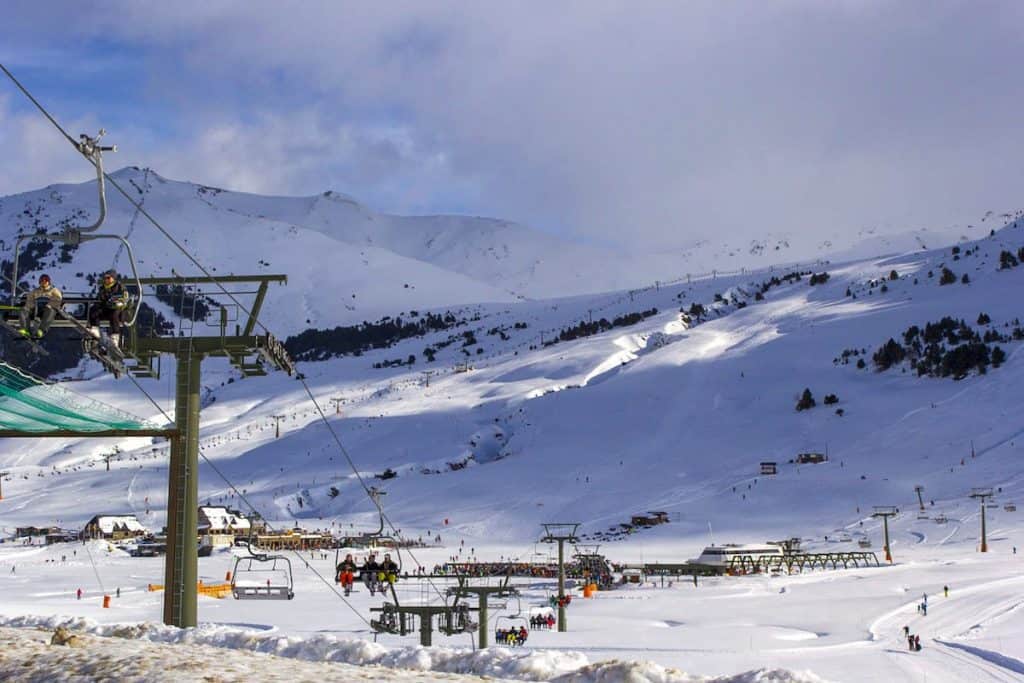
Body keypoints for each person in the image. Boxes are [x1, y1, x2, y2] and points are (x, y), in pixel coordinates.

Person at [88, 270, 129, 347]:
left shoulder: (120, 287)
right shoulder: (103, 288)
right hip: (106, 308)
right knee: (93, 310)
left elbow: (125, 299)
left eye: (108, 278)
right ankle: (95, 328)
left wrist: (117, 302)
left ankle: (115, 336)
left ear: (113, 278)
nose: (106, 279)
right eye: (105, 278)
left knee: (114, 314)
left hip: (118, 310)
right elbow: (99, 299)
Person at [18, 274, 62, 339]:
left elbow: (58, 299)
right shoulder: (35, 291)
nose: (43, 283)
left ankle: (41, 330)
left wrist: (50, 305)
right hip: (36, 309)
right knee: (23, 310)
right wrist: (29, 307)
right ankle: (25, 330)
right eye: (42, 281)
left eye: (45, 281)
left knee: (50, 311)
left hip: (47, 310)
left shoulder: (54, 290)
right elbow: (29, 300)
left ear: (48, 282)